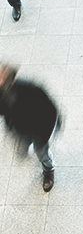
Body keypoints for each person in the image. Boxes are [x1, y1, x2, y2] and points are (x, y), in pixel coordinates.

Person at [0, 63, 59, 192]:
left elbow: (51, 108)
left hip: (39, 130)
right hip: (19, 129)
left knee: (42, 152)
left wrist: (53, 127)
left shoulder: (31, 89)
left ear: (12, 80)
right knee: (24, 146)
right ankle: (26, 146)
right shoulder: (2, 94)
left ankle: (48, 171)